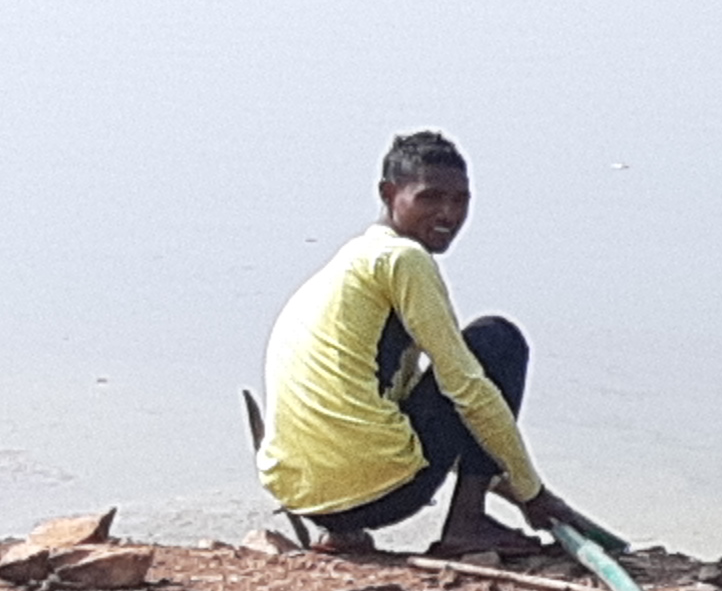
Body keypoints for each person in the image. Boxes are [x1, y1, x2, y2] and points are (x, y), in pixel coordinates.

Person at [257, 130, 599, 560]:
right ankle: (466, 524)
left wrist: (503, 476)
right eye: (430, 198)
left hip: (307, 498)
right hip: (380, 491)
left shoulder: (353, 261)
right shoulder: (404, 259)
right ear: (389, 193)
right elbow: (467, 390)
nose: (447, 214)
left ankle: (344, 532)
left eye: (460, 201)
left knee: (433, 384)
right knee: (495, 340)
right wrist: (534, 493)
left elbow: (394, 387)